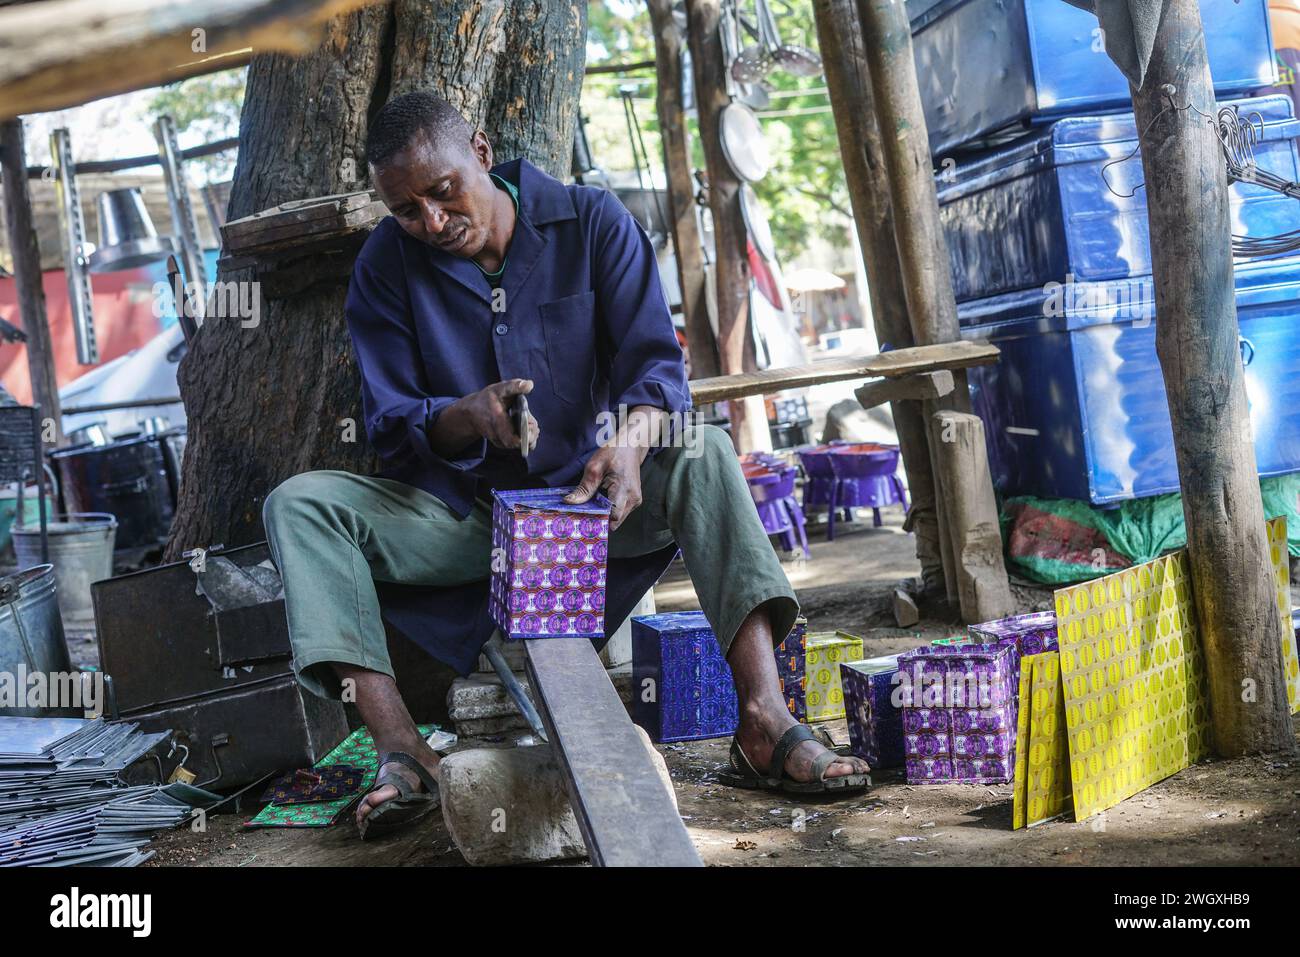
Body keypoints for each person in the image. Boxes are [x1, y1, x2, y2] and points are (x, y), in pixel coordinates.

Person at [262, 90, 869, 840]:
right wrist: (466, 415)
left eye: (444, 193)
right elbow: (392, 427)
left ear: (481, 153)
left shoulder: (590, 221)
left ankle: (763, 719)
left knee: (704, 446)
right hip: (466, 521)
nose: (432, 222)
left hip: (589, 507)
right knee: (299, 503)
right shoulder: (387, 265)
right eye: (407, 210)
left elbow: (658, 374)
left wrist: (633, 441)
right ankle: (402, 749)